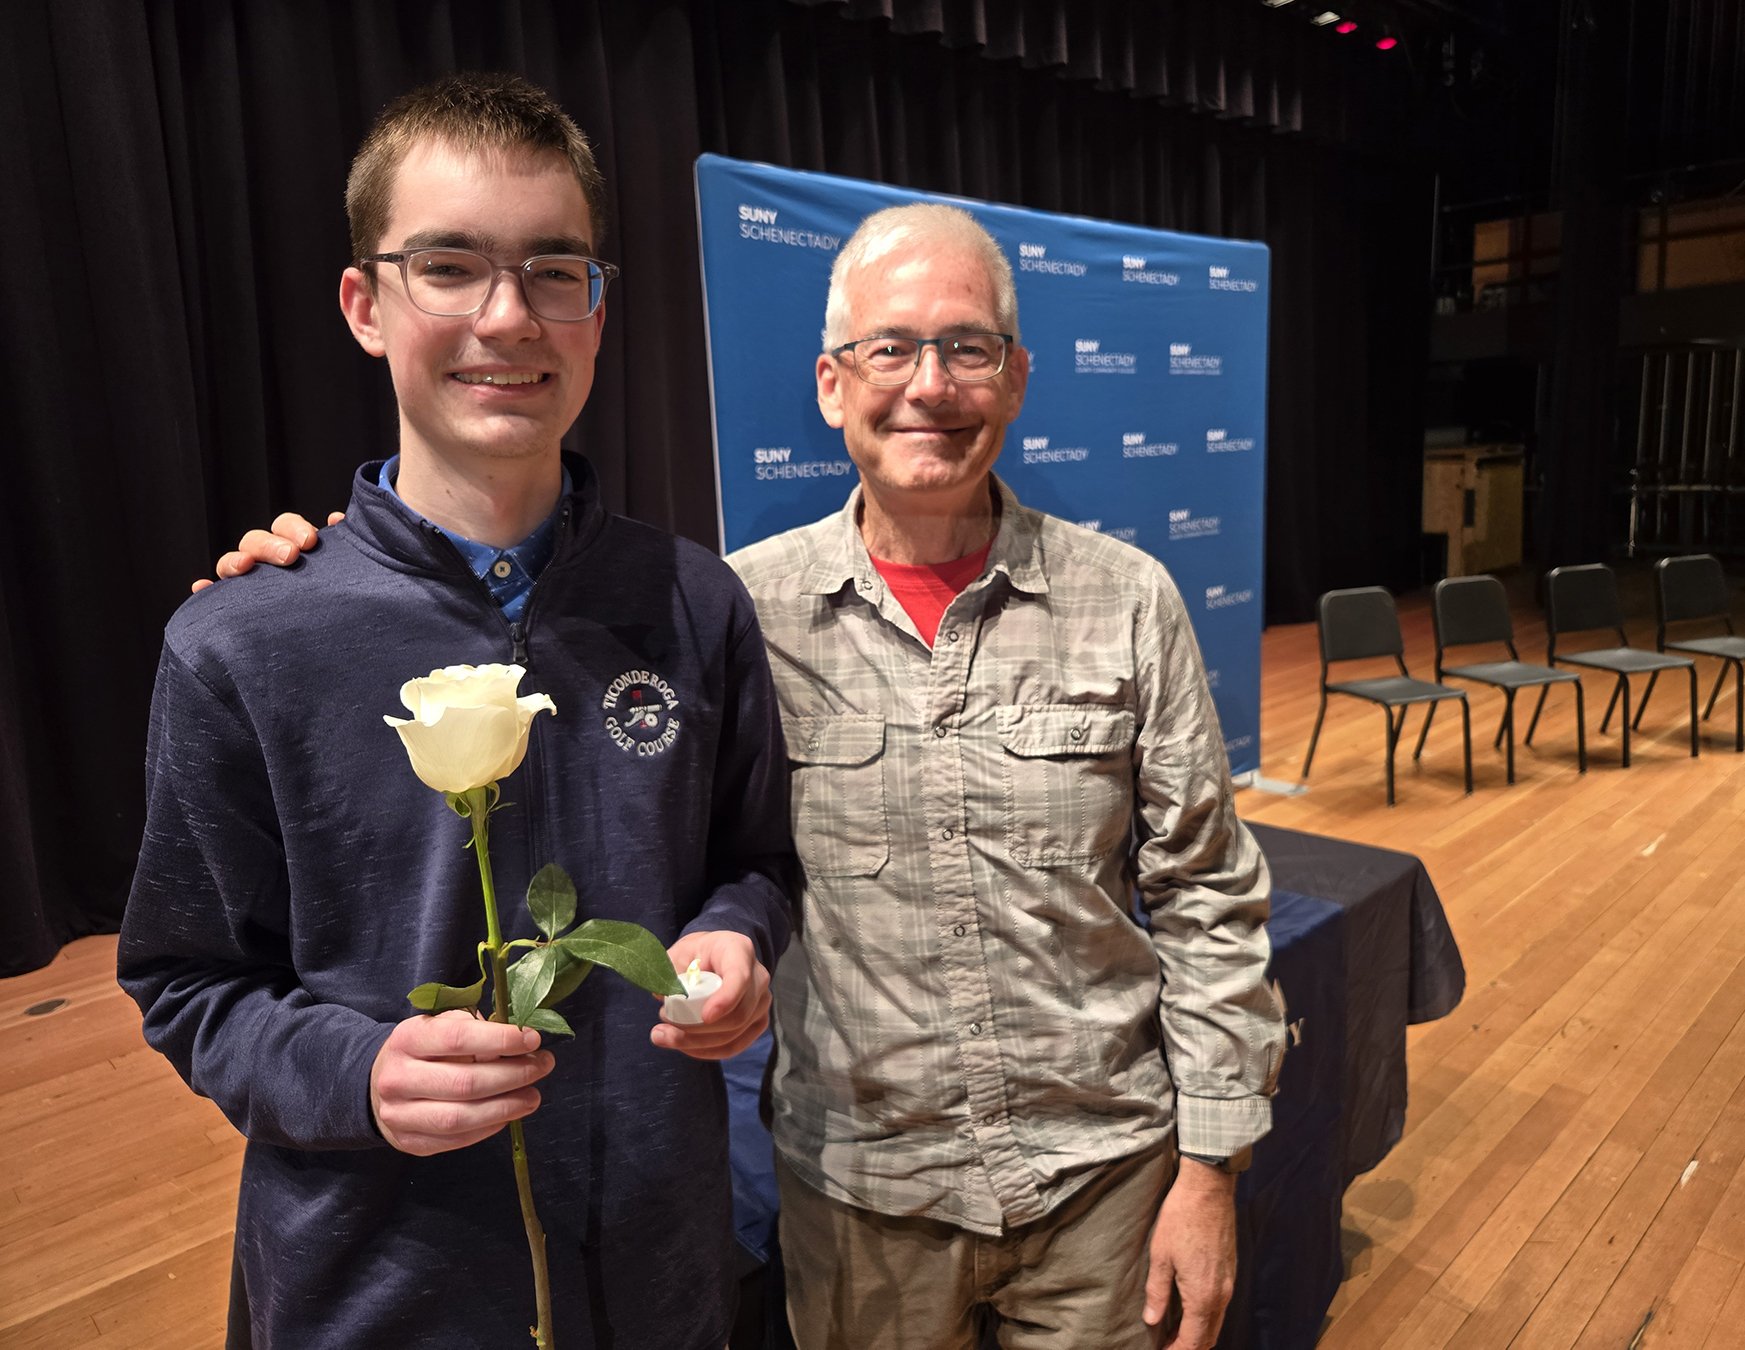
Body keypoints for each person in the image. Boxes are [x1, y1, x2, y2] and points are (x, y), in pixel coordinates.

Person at [222, 201, 1282, 1350]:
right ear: (832, 386)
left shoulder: (1128, 603)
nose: (929, 384)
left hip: (1104, 1191)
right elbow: (675, 816)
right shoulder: (727, 612)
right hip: (861, 1203)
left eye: (967, 347)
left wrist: (1211, 1171)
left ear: (1016, 378)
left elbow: (1208, 899)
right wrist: (323, 577)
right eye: (890, 348)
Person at [123, 72, 794, 1350]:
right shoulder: (244, 640)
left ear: (598, 309)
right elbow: (188, 983)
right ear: (365, 305)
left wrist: (735, 937)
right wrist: (354, 1074)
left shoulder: (693, 600)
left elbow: (756, 860)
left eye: (555, 269)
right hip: (380, 1292)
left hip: (663, 1276)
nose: (508, 317)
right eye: (449, 265)